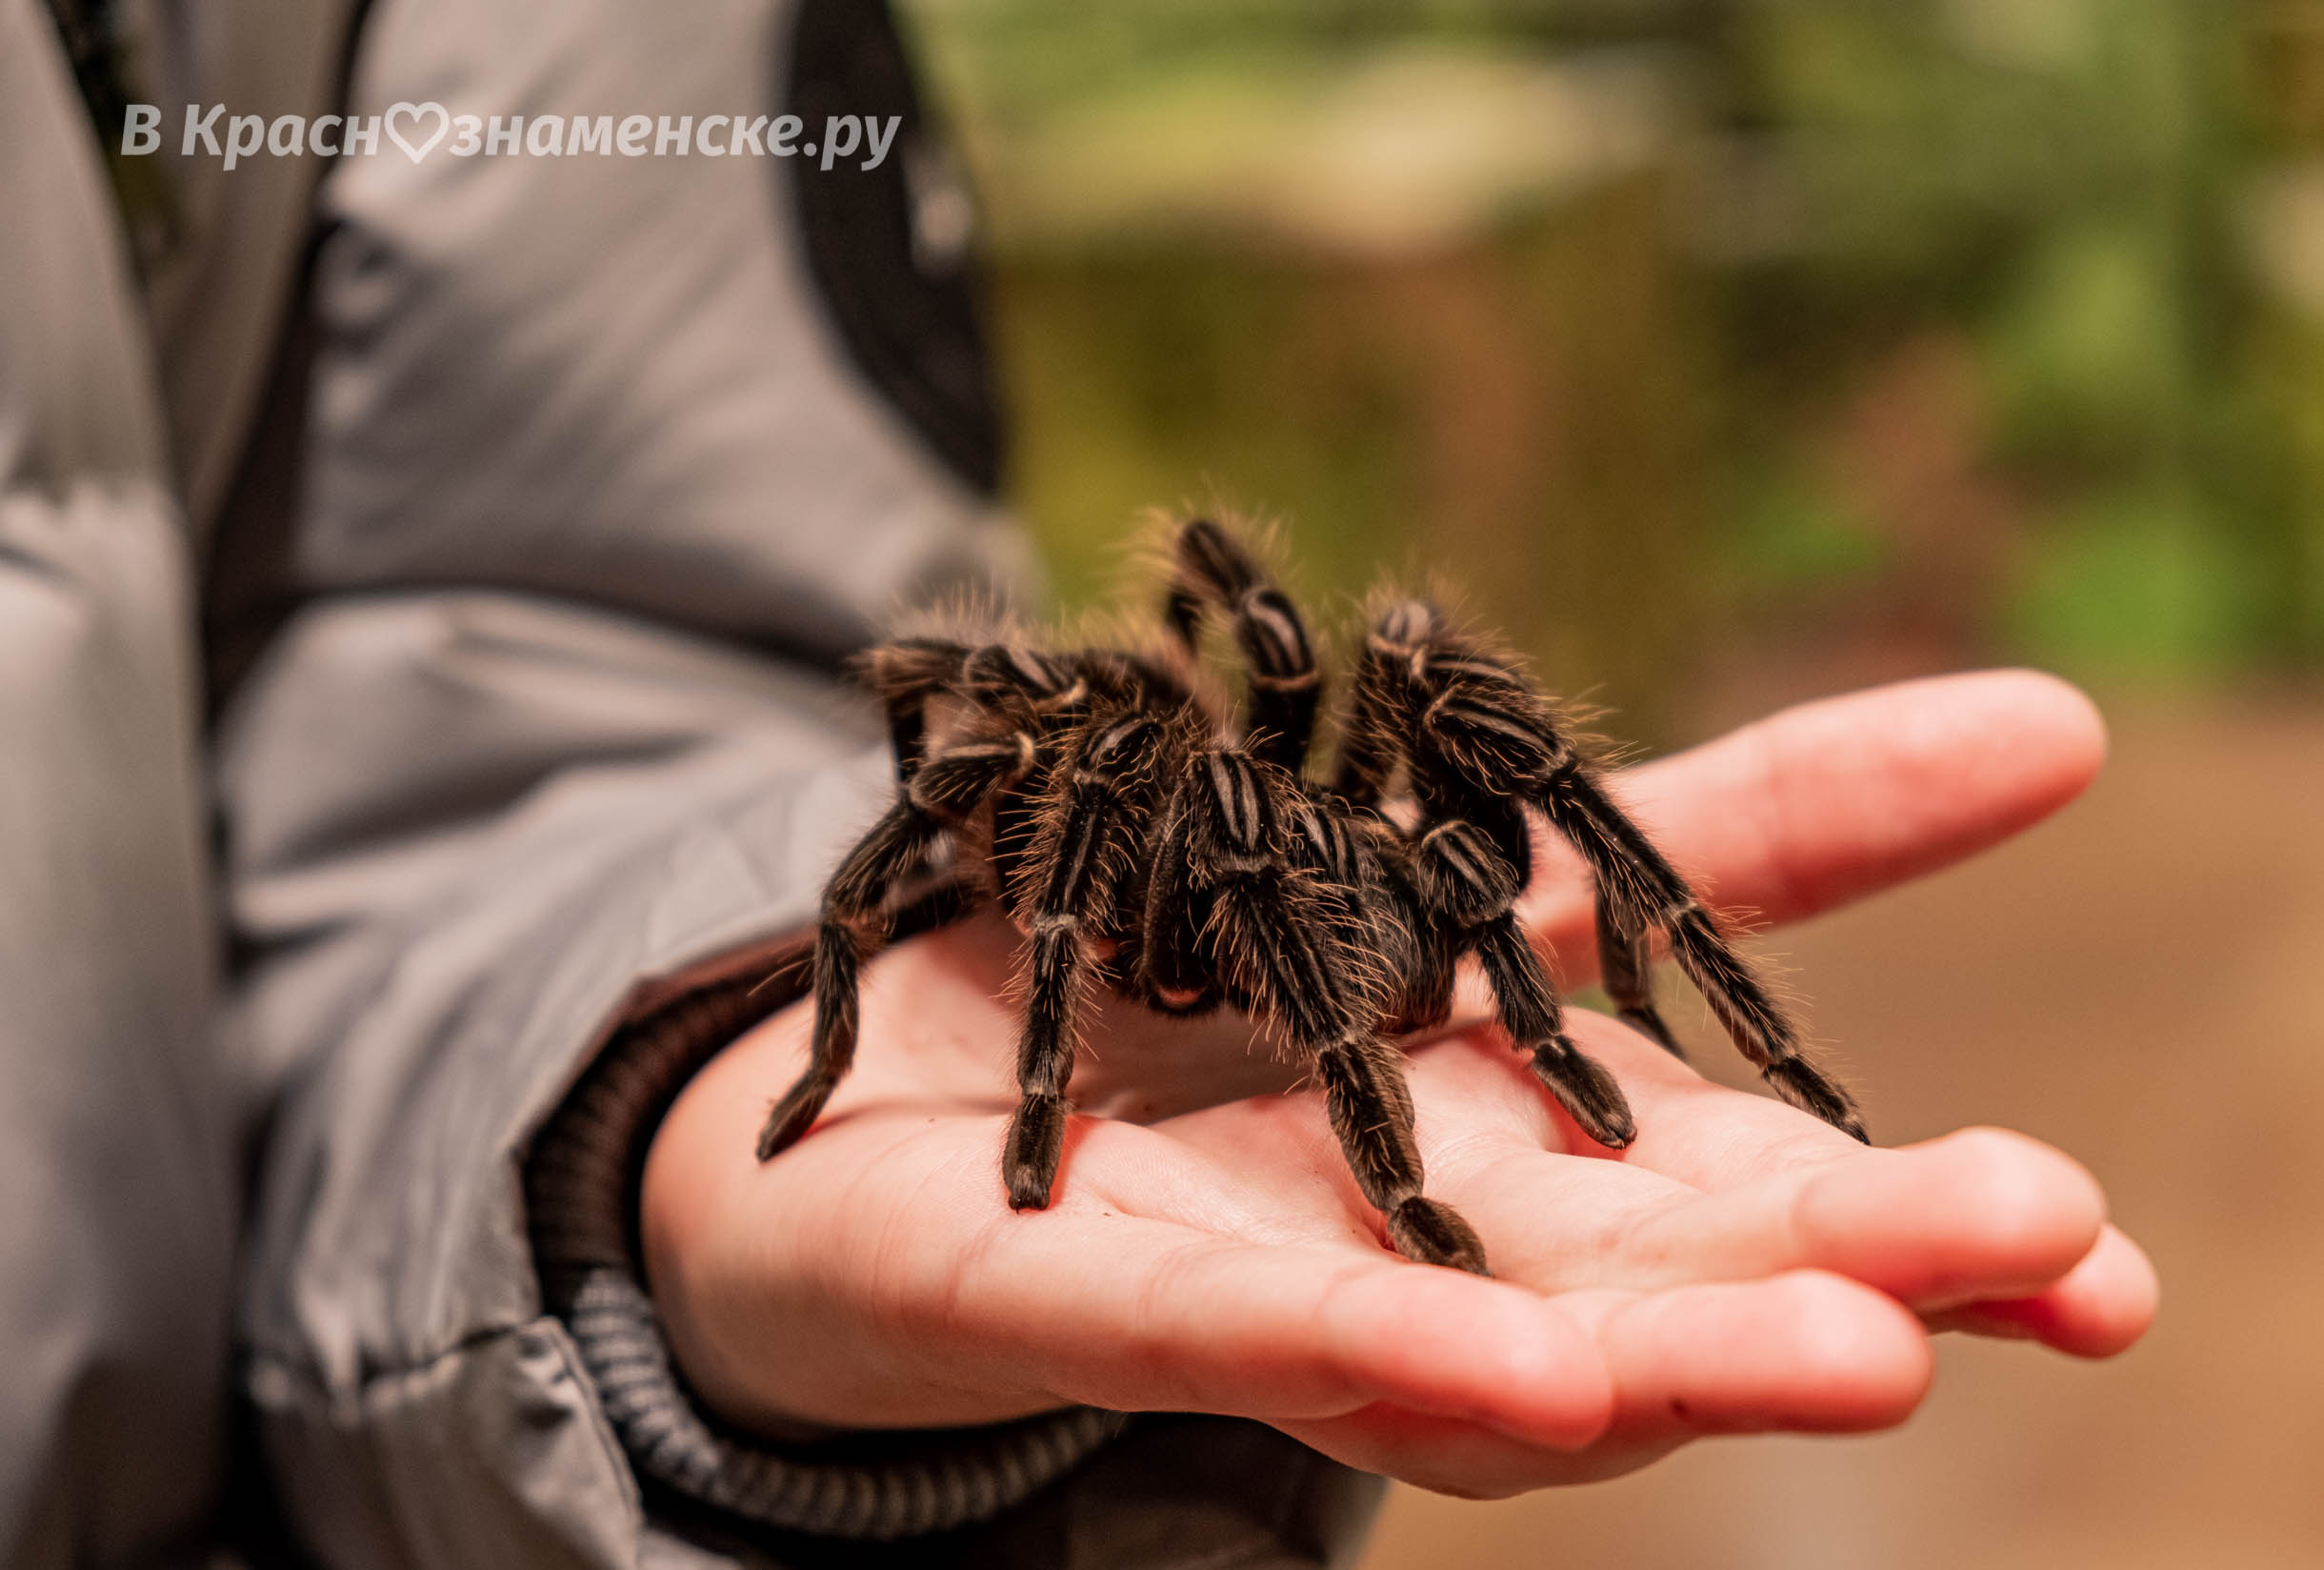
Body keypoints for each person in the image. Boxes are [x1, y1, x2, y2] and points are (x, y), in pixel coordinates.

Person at [0, 0, 2154, 1563]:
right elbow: (959, 766)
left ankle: (1720, 1026)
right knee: (1180, 787)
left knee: (1381, 667)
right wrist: (919, 1034)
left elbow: (542, 676)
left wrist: (671, 1050)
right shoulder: (1115, 822)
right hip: (1139, 873)